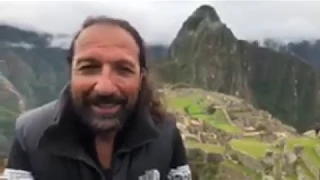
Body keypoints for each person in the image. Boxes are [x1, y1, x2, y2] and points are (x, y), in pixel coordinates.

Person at [4, 16, 191, 180]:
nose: (105, 87)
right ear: (71, 72)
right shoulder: (29, 135)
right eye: (88, 68)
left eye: (124, 69)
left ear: (141, 78)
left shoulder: (166, 134)